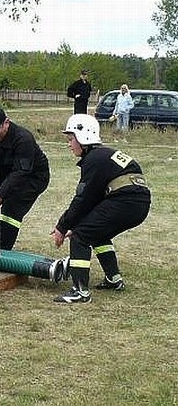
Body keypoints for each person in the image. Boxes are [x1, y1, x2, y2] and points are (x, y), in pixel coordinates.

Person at [51, 114, 151, 304]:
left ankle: (80, 291)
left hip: (125, 201)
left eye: (71, 139)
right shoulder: (104, 155)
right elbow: (94, 200)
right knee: (96, 233)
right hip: (138, 202)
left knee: (80, 236)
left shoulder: (94, 159)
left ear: (84, 137)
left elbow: (83, 199)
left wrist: (62, 227)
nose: (69, 144)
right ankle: (114, 279)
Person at [0, 106, 50, 251]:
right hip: (5, 175)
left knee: (12, 206)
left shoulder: (23, 138)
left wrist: (0, 196)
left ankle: (4, 249)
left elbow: (20, 172)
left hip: (32, 177)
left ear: (6, 122)